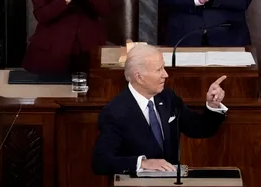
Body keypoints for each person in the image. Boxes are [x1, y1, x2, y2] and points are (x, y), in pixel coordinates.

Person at [92, 43, 227, 175]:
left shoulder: (168, 97)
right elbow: (101, 162)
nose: (166, 74)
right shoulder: (115, 112)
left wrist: (213, 105)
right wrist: (142, 163)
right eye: (159, 70)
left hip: (171, 186)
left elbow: (199, 129)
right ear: (139, 77)